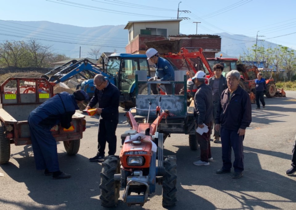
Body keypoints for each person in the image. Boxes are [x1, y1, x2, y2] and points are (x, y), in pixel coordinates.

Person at [28, 90, 89, 179]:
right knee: (50, 145)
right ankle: (56, 172)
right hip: (40, 122)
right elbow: (65, 124)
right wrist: (69, 124)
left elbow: (59, 111)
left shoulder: (63, 94)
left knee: (40, 146)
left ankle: (47, 169)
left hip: (33, 116)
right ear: (80, 101)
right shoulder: (70, 108)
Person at [215, 70, 252, 179]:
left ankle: (238, 169)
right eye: (228, 79)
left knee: (238, 151)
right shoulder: (224, 93)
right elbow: (219, 109)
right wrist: (217, 122)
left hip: (237, 128)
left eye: (233, 79)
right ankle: (226, 167)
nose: (230, 82)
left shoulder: (243, 95)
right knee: (225, 149)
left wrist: (243, 127)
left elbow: (247, 113)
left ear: (238, 80)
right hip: (225, 127)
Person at [87, 74, 120, 162]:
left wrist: (103, 110)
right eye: (95, 85)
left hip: (111, 117)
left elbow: (114, 107)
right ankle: (100, 154)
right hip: (102, 116)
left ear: (105, 82)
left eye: (98, 85)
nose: (97, 87)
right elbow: (95, 97)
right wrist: (90, 105)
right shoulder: (98, 88)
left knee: (110, 137)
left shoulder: (114, 91)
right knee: (101, 136)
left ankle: (111, 156)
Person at [192, 71, 214, 166]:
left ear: (197, 80)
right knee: (207, 138)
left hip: (203, 120)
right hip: (209, 118)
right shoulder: (208, 89)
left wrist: (200, 122)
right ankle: (208, 156)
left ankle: (204, 160)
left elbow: (201, 109)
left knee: (203, 139)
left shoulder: (199, 93)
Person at [208, 63, 227, 143]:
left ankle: (216, 136)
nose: (217, 72)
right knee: (209, 119)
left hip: (220, 102)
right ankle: (208, 135)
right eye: (216, 70)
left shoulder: (224, 80)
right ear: (214, 71)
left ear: (221, 71)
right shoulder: (211, 80)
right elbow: (208, 90)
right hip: (211, 101)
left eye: (219, 70)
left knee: (217, 120)